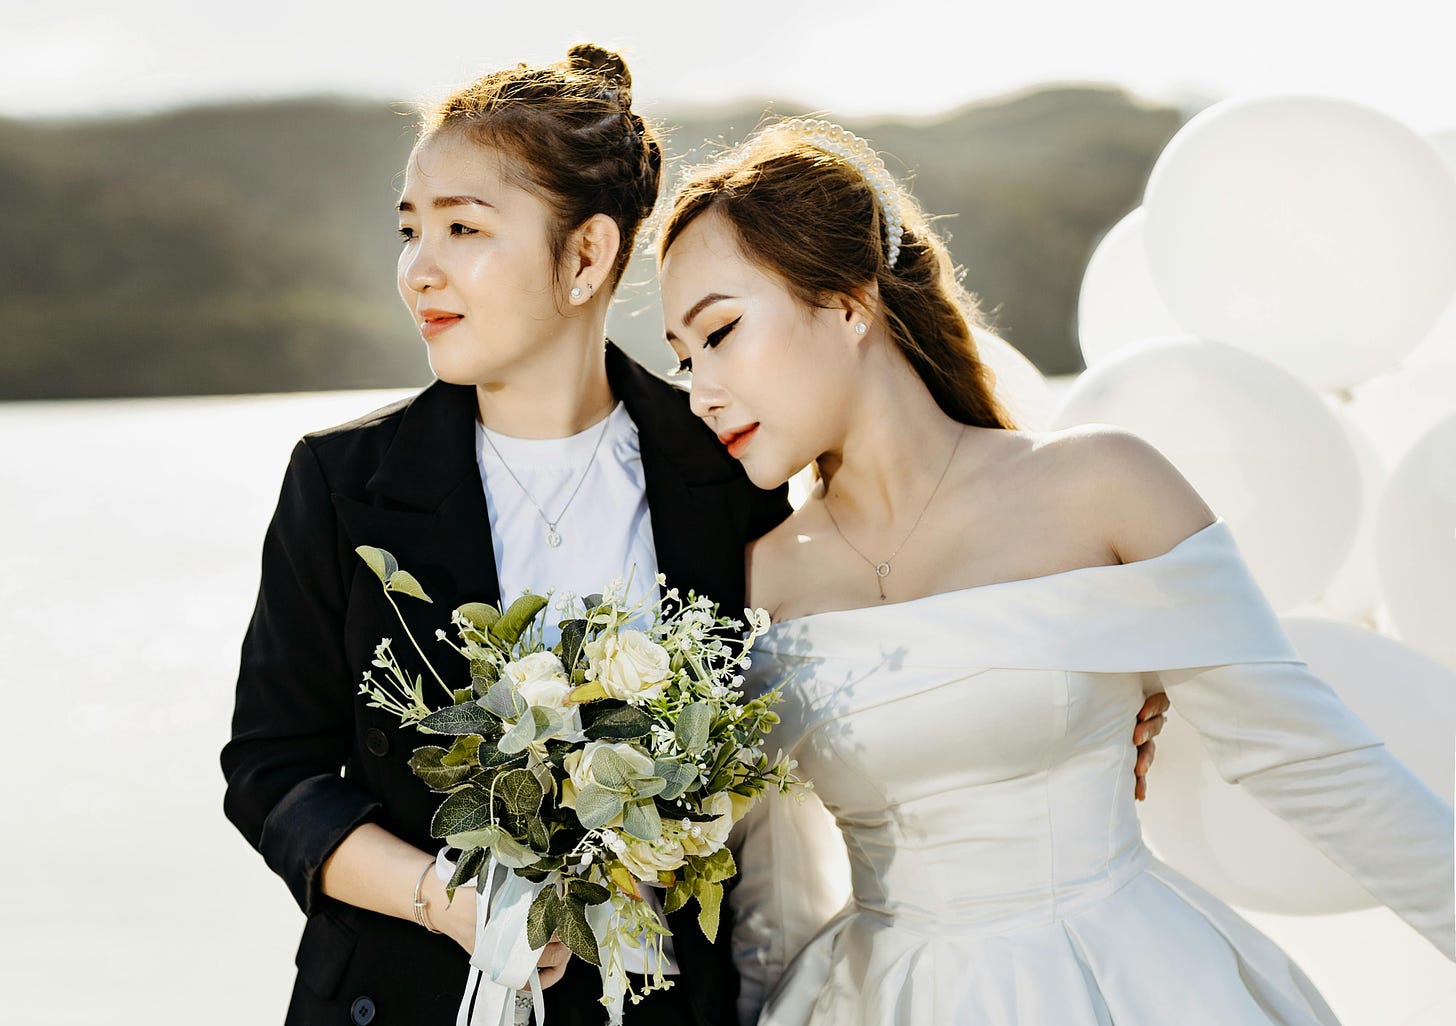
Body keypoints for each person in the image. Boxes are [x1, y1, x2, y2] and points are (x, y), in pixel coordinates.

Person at [222, 51, 1166, 1023]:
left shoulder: (729, 472)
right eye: (410, 229)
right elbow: (269, 771)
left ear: (586, 257)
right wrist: (454, 901)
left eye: (463, 227)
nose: (419, 270)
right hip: (405, 998)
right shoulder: (342, 484)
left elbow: (879, 632)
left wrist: (1100, 682)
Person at [655, 118, 1456, 1026]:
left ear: (847, 303)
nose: (700, 390)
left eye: (719, 333)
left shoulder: (1100, 485)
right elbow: (761, 894)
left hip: (1129, 982)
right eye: (683, 359)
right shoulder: (753, 584)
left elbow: (1317, 764)